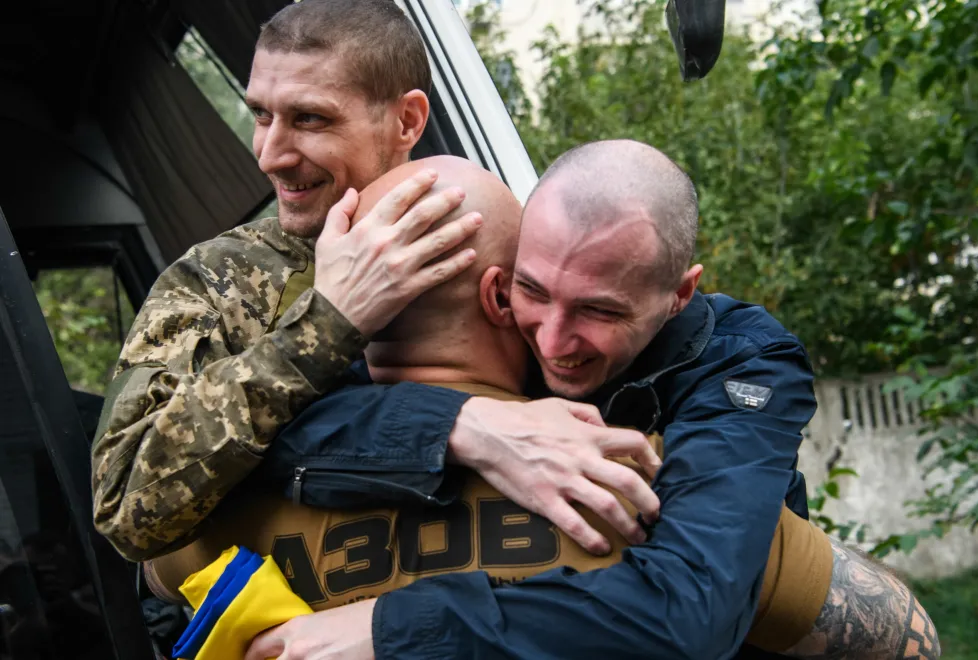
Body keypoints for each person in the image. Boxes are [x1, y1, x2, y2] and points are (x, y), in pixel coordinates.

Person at [145, 155, 937, 660]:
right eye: (531, 291)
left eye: (597, 309)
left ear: (679, 296)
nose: (554, 342)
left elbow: (163, 506)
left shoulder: (208, 512)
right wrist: (464, 426)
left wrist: (387, 628)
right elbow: (908, 639)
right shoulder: (642, 487)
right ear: (499, 290)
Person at [91, 0, 664, 563]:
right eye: (262, 115)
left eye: (309, 118)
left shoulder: (511, 234)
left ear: (408, 120)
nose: (269, 154)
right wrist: (324, 328)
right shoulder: (224, 280)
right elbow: (126, 510)